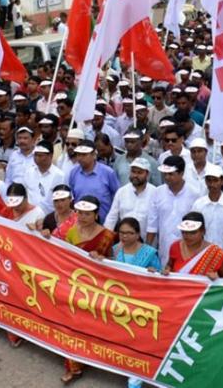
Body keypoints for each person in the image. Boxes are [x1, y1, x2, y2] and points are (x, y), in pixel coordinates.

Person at [58, 195, 116, 383]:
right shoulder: (72, 232)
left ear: (96, 215)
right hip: (74, 285)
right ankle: (73, 366)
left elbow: (115, 265)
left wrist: (101, 259)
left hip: (97, 287)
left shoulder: (107, 236)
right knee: (72, 324)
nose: (83, 217)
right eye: (80, 213)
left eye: (87, 213)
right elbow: (65, 256)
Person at [147, 155, 203, 266]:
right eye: (165, 174)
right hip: (164, 247)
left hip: (189, 249)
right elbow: (152, 225)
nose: (167, 177)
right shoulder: (157, 192)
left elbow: (198, 225)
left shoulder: (195, 193)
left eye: (170, 174)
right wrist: (147, 251)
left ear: (181, 173)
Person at [163, 211, 223, 277]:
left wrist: (217, 278)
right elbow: (169, 266)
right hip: (178, 290)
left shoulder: (214, 252)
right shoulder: (175, 247)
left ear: (203, 231)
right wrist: (167, 270)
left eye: (192, 232)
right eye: (184, 232)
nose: (187, 236)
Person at [191, 165, 223, 250]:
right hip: (204, 255)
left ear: (222, 181)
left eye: (215, 180)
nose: (212, 184)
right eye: (209, 180)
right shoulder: (198, 205)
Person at [68, 139, 120, 221]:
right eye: (78, 155)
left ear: (94, 155)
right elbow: (73, 197)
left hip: (104, 223)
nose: (80, 158)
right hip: (80, 222)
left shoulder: (108, 173)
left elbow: (117, 197)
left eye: (84, 155)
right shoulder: (73, 173)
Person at [104, 158, 156, 239]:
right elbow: (112, 217)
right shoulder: (122, 191)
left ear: (147, 174)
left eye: (139, 173)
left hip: (147, 242)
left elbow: (154, 224)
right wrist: (106, 239)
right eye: (133, 172)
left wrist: (148, 247)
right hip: (125, 241)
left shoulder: (155, 193)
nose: (135, 175)